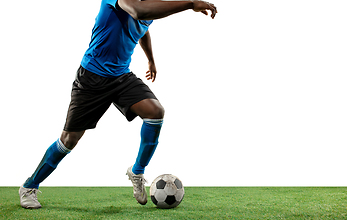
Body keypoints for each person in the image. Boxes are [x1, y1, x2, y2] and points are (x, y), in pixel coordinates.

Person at [19, 0, 217, 209]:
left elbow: (143, 28)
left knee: (155, 112)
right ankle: (29, 186)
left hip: (121, 76)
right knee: (69, 140)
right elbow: (139, 12)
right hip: (92, 78)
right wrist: (190, 4)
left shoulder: (148, 5)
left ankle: (137, 171)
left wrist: (150, 60)